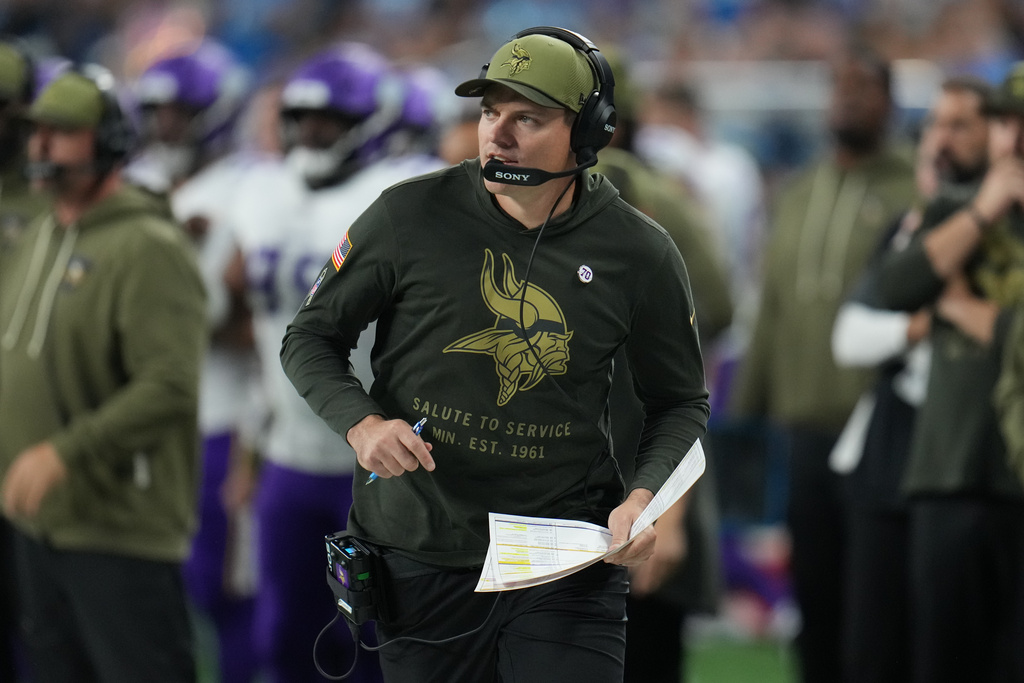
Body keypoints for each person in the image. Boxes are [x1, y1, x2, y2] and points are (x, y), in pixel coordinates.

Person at [280, 26, 709, 683]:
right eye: (489, 112)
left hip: (565, 558)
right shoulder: (406, 215)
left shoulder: (639, 251)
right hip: (419, 550)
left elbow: (679, 400)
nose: (496, 134)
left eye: (526, 118)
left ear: (588, 131)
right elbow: (310, 336)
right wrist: (361, 424)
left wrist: (642, 498)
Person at [230, 42, 445, 683]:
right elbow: (254, 327)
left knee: (381, 646)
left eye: (333, 122)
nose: (314, 134)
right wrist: (249, 446)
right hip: (287, 457)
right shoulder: (259, 190)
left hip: (379, 466)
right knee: (286, 639)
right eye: (305, 119)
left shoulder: (403, 195)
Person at [0, 66, 206, 682]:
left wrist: (64, 452)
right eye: (37, 132)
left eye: (63, 133)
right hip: (40, 521)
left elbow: (169, 385)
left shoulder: (148, 245)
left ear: (110, 141)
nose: (41, 147)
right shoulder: (41, 229)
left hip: (117, 527)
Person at [729, 44, 917, 683]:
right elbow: (774, 303)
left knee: (877, 607)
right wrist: (748, 409)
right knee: (815, 597)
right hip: (801, 427)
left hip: (881, 429)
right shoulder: (800, 190)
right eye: (839, 87)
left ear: (889, 102)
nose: (847, 99)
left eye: (862, 88)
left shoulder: (911, 187)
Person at [830, 75, 992, 683]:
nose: (939, 151)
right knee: (878, 638)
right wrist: (923, 324)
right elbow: (850, 335)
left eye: (958, 130)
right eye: (932, 138)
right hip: (895, 448)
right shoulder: (906, 233)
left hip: (978, 450)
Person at [878, 62, 1024, 683]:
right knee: (945, 658)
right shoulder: (959, 203)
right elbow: (898, 285)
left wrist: (969, 308)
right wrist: (987, 209)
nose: (1013, 137)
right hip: (950, 466)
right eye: (1006, 121)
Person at [128, 41, 260, 683]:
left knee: (226, 588)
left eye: (178, 111)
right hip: (152, 416)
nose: (165, 126)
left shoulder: (245, 190)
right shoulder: (144, 185)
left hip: (223, 417)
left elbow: (223, 322)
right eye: (156, 112)